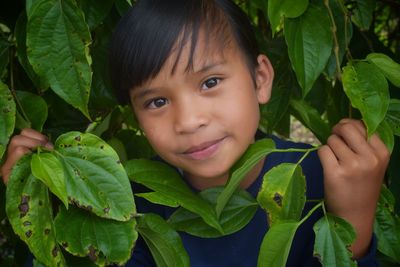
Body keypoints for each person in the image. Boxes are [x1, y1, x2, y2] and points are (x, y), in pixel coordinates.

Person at [1, 0, 390, 266]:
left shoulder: (326, 180)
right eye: (156, 102)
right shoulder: (127, 206)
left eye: (210, 81)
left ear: (261, 79)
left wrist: (352, 225)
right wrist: (46, 211)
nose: (188, 121)